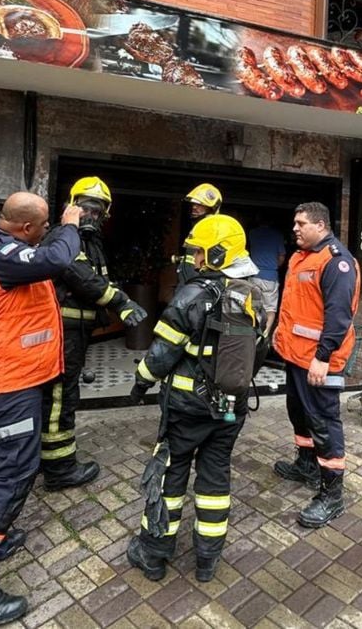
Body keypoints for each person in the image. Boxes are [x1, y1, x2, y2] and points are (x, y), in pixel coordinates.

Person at [0, 193, 82, 626]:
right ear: (25, 228)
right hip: (8, 383)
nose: (44, 235)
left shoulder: (6, 250)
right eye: (41, 228)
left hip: (3, 378)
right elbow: (58, 259)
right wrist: (72, 223)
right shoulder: (2, 254)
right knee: (16, 470)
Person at [125, 214, 263, 583]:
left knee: (169, 475)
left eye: (200, 253)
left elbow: (160, 355)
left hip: (187, 408)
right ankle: (207, 560)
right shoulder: (255, 295)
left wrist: (140, 384)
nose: (194, 260)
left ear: (216, 254)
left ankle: (153, 555)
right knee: (215, 479)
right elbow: (258, 355)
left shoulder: (191, 295)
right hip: (231, 408)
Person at [40, 177, 148, 490]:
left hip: (77, 331)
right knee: (61, 397)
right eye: (85, 207)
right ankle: (59, 469)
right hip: (64, 331)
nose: (90, 214)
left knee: (61, 394)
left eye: (97, 210)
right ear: (70, 206)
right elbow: (81, 278)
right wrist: (121, 302)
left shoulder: (90, 241)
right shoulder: (63, 236)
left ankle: (45, 459)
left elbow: (98, 279)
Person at [272, 202, 360, 529]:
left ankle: (332, 495)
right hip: (296, 357)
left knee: (323, 421)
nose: (295, 228)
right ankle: (306, 465)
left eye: (301, 223)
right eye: (294, 223)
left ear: (320, 225)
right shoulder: (299, 257)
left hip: (319, 361)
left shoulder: (337, 263)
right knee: (299, 413)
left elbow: (338, 317)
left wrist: (322, 357)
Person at [175, 183, 223, 285]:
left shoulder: (212, 228)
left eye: (200, 204)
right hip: (188, 281)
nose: (194, 207)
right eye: (194, 204)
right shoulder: (200, 226)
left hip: (196, 283)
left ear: (212, 207)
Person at [248, 215, 286, 336]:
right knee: (270, 308)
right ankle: (265, 335)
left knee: (253, 306)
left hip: (254, 275)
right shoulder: (278, 235)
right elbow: (281, 257)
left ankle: (252, 333)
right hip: (270, 276)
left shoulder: (252, 233)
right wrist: (273, 267)